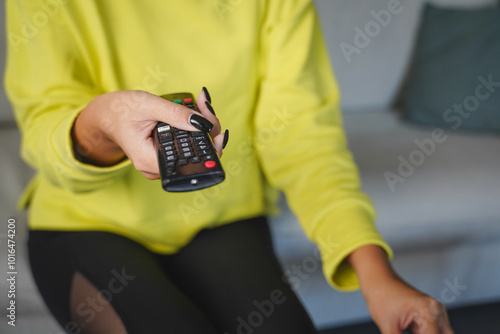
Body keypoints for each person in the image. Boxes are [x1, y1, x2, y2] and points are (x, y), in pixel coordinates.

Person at [5, 0, 454, 333]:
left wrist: (376, 274)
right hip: (86, 224)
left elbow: (305, 141)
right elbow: (45, 130)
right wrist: (102, 126)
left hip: (223, 214)